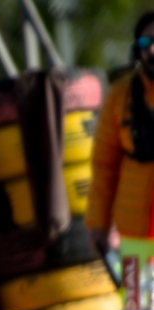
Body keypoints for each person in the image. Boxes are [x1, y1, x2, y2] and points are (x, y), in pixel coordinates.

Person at [87, 12, 154, 264]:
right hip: (134, 235)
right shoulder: (119, 97)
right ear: (136, 49)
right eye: (147, 43)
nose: (153, 49)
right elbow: (104, 167)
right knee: (137, 303)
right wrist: (98, 224)